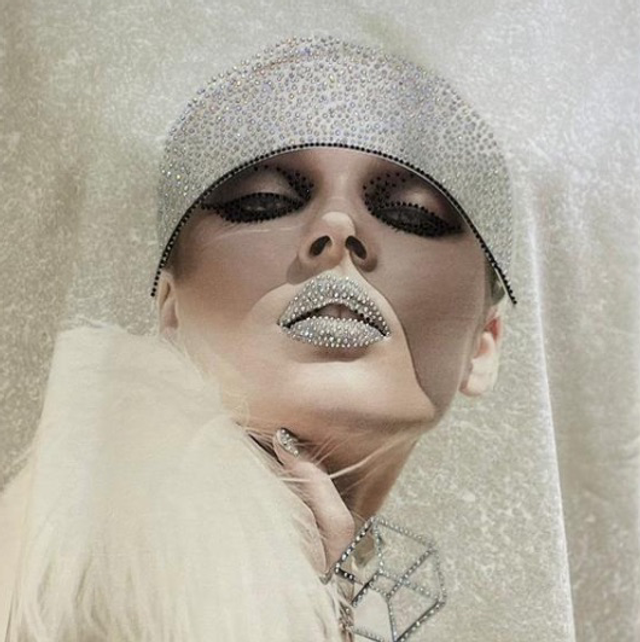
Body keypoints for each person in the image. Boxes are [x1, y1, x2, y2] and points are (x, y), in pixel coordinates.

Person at [6, 36, 514, 641]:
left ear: (485, 343)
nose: (337, 227)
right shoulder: (69, 572)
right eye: (263, 202)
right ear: (169, 306)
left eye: (411, 212)